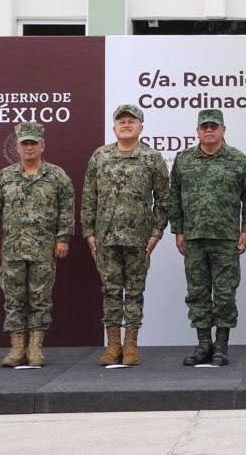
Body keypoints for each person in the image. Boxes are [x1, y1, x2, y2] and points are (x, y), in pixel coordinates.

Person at [81, 104, 169, 366]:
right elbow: (89, 196)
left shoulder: (151, 158)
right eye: (121, 121)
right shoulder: (100, 156)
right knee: (110, 291)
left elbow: (163, 199)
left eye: (132, 121)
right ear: (114, 127)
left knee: (134, 293)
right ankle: (113, 346)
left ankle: (131, 346)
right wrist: (89, 233)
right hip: (106, 237)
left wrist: (156, 232)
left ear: (141, 127)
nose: (126, 124)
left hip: (139, 239)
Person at [168, 109, 246, 367]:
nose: (209, 130)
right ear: (197, 131)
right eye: (204, 126)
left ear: (223, 130)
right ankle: (203, 344)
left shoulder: (237, 160)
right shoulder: (184, 160)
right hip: (194, 238)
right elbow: (174, 197)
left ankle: (221, 346)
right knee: (197, 293)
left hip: (226, 239)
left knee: (225, 293)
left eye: (214, 126)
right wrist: (179, 230)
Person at [0, 122, 75, 367]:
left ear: (42, 145)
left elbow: (67, 210)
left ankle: (35, 349)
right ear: (17, 146)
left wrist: (63, 238)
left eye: (34, 143)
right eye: (25, 143)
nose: (30, 147)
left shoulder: (57, 176)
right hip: (13, 249)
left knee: (40, 298)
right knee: (13, 299)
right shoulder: (4, 177)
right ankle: (16, 349)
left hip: (44, 249)